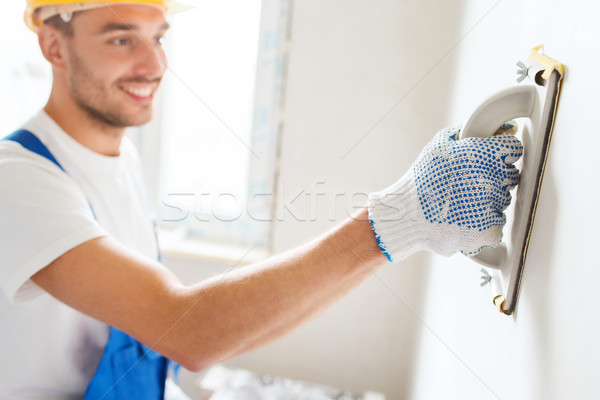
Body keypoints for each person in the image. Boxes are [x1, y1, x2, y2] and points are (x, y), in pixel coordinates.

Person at [0, 1, 523, 398]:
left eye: (159, 37)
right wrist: (401, 217)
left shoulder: (121, 159)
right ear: (52, 46)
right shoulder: (18, 179)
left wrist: (403, 232)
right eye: (121, 40)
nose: (154, 63)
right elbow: (185, 331)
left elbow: (180, 341)